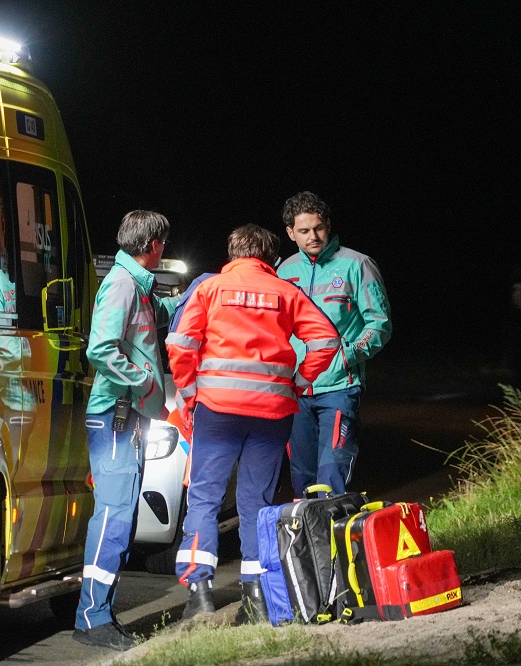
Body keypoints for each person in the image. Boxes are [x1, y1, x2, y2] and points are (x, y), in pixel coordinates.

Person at [167, 224, 340, 624]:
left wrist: (191, 392)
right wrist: (297, 384)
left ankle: (199, 594)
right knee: (256, 504)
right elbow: (327, 341)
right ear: (270, 257)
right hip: (272, 415)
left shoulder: (209, 289)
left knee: (205, 499)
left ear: (233, 253)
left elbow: (179, 344)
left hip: (217, 411)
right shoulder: (287, 292)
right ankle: (257, 598)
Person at [74, 210, 178, 650]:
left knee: (122, 516)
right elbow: (100, 349)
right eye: (163, 245)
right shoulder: (121, 285)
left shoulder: (135, 283)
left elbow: (156, 317)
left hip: (128, 415)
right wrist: (145, 381)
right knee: (114, 517)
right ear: (153, 245)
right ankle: (91, 617)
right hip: (116, 414)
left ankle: (101, 612)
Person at [277, 192, 391, 497]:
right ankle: (310, 543)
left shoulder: (358, 264)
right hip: (296, 390)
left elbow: (379, 323)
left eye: (318, 228)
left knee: (332, 475)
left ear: (328, 224)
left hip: (340, 388)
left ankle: (334, 543)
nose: (313, 236)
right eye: (303, 231)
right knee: (302, 478)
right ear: (290, 233)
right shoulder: (283, 272)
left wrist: (348, 355)